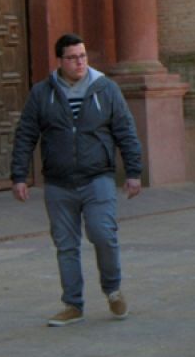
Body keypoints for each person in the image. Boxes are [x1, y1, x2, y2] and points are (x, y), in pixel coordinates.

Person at [10, 33, 144, 327]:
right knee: (66, 245)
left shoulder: (105, 89)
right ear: (60, 60)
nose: (79, 62)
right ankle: (72, 305)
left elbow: (125, 130)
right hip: (58, 183)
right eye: (72, 58)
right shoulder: (42, 93)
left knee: (102, 234)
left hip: (97, 178)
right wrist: (19, 175)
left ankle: (113, 290)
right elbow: (26, 134)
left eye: (83, 56)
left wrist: (134, 172)